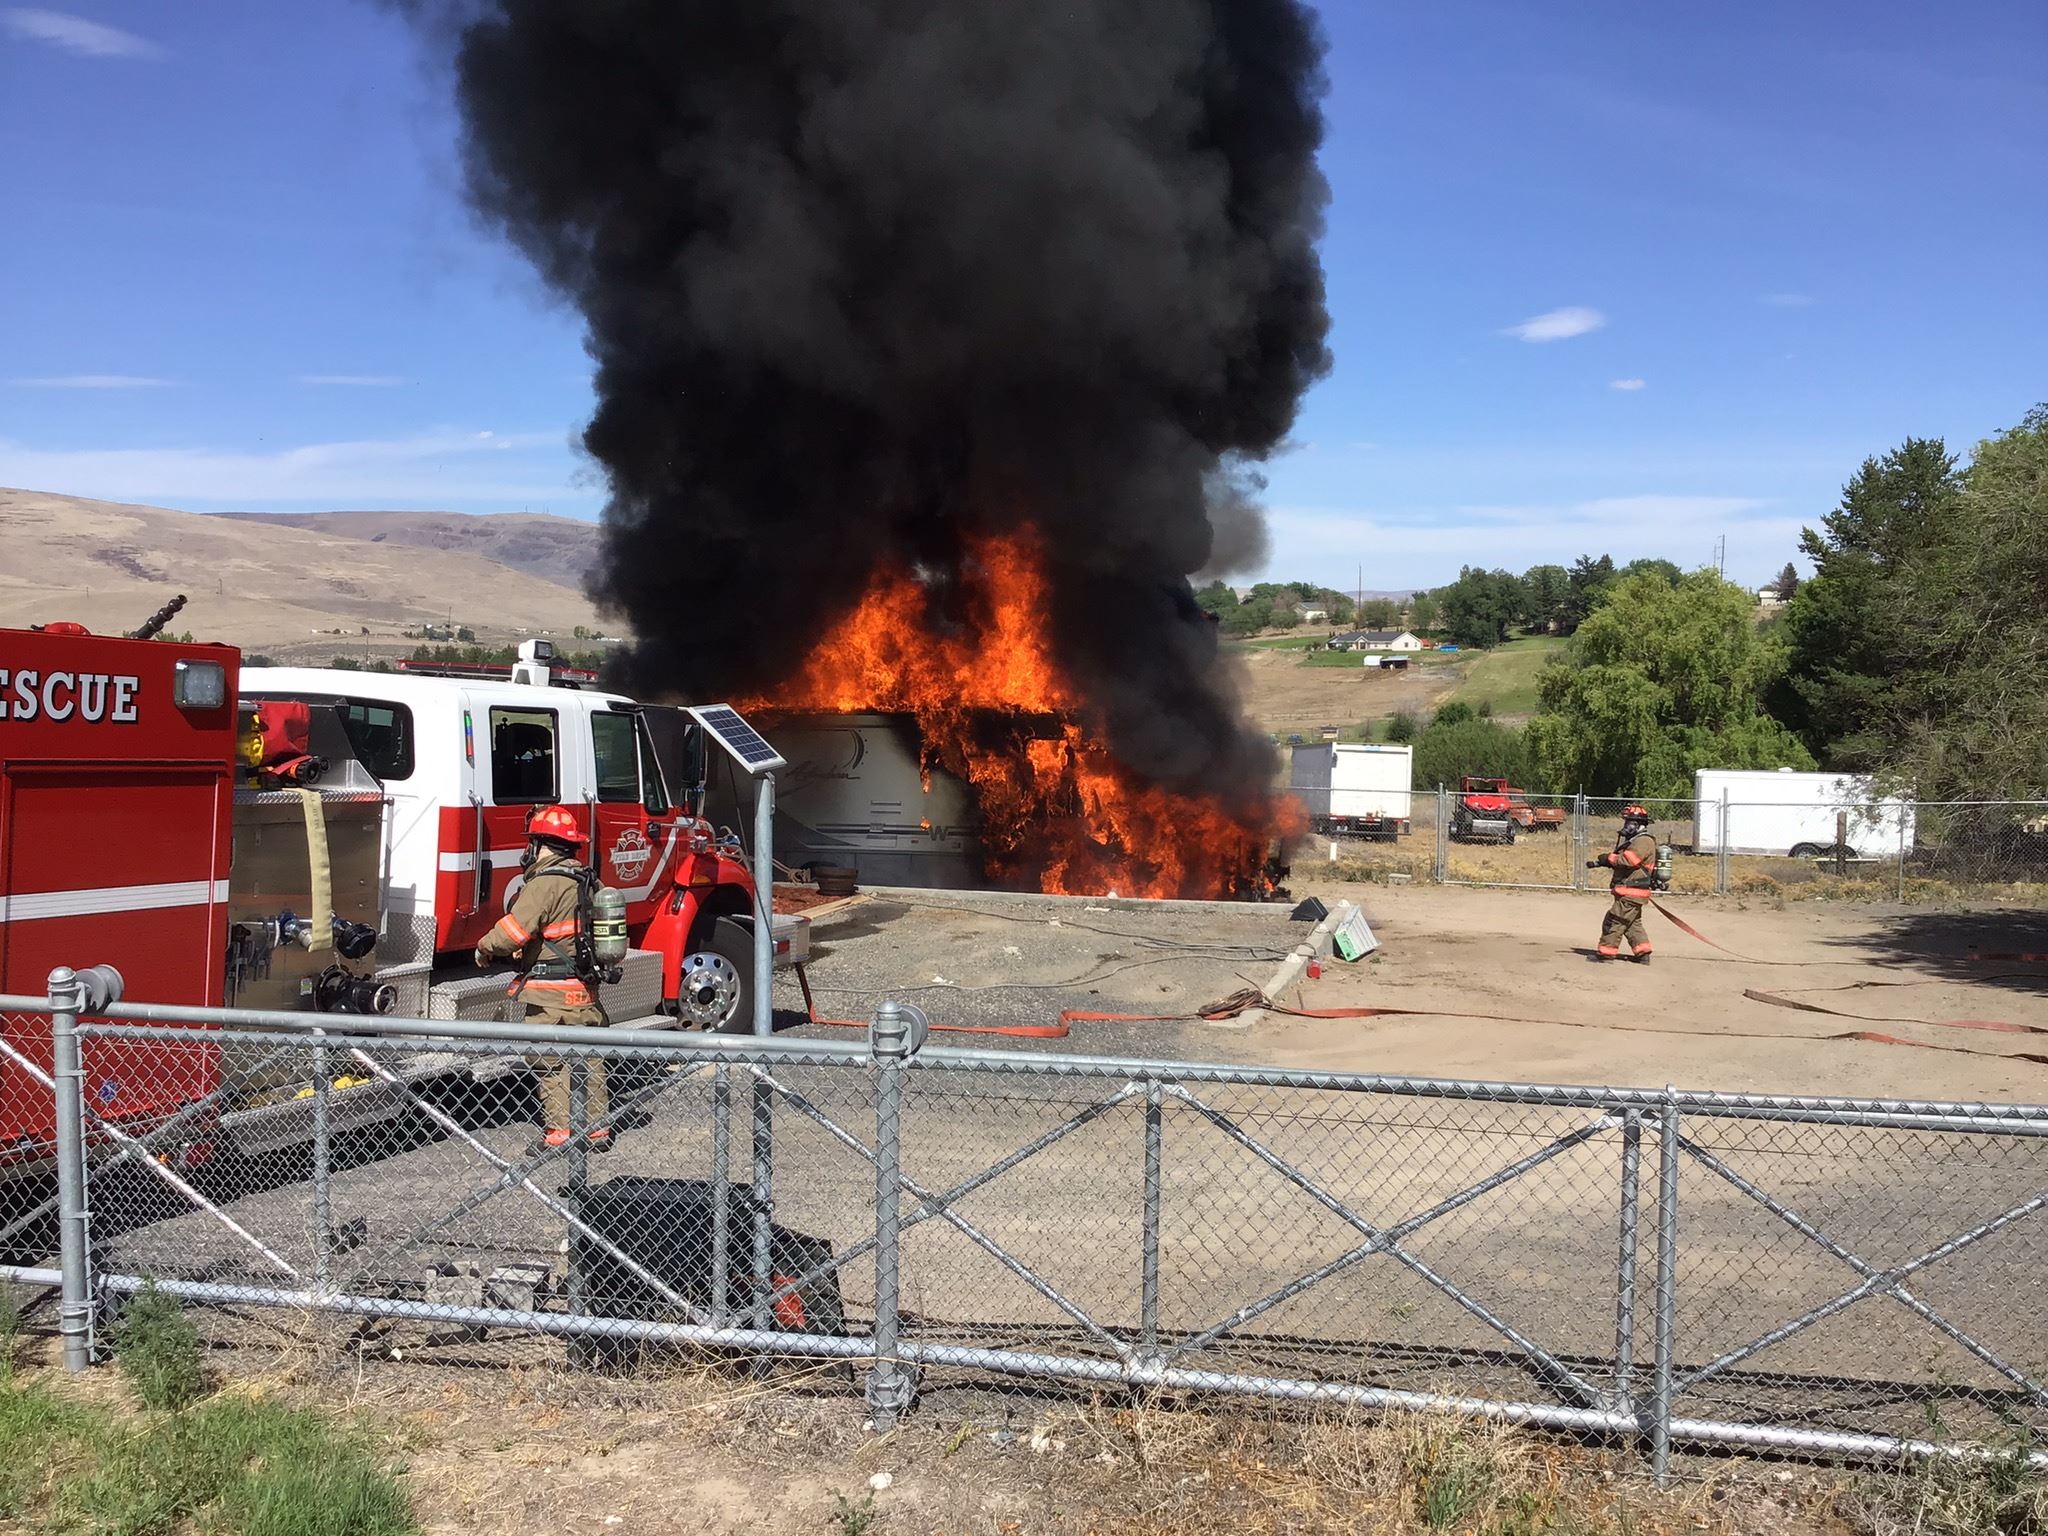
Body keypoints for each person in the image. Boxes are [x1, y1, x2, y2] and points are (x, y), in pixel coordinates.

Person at [475, 804, 610, 1149]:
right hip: (585, 988)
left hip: (550, 992)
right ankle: (596, 1130)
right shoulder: (589, 880)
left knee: (549, 1060)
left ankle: (560, 1132)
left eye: (531, 843)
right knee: (589, 1056)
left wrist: (485, 946)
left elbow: (512, 933)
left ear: (540, 845)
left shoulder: (545, 883)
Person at [1587, 805, 1657, 962]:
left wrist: (1609, 858)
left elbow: (1628, 860)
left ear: (1639, 824)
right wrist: (1601, 862)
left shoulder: (1644, 841)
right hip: (1631, 891)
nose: (1626, 826)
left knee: (1614, 921)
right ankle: (1643, 953)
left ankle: (1606, 954)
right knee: (1632, 924)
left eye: (1630, 822)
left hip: (1631, 891)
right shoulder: (1636, 840)